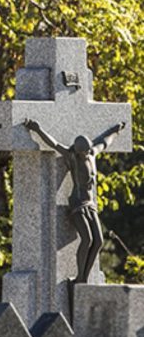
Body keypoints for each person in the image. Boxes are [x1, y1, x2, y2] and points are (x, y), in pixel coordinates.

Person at [24, 118, 126, 285]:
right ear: (77, 151)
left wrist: (116, 130)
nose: (85, 154)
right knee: (87, 239)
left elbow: (104, 142)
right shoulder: (72, 157)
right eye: (82, 152)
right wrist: (37, 129)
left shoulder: (92, 154)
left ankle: (84, 277)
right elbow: (54, 144)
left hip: (90, 204)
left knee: (98, 241)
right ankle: (80, 277)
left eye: (87, 151)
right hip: (77, 204)